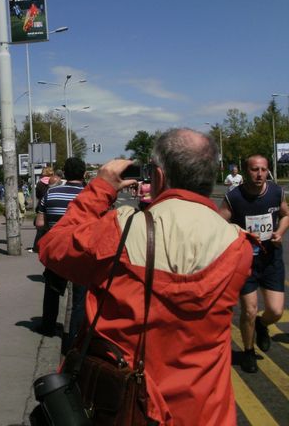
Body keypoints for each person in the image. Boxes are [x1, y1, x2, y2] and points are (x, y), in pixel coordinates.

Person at [39, 128, 253, 425]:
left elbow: (53, 248)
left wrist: (100, 188)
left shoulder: (122, 230)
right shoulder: (238, 245)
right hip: (205, 412)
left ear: (159, 177)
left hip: (127, 407)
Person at [219, 155, 288, 373]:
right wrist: (239, 234)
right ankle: (248, 352)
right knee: (249, 310)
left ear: (268, 171)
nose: (259, 174)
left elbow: (285, 215)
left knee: (275, 311)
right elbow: (218, 224)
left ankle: (262, 324)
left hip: (271, 259)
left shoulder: (276, 192)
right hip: (245, 261)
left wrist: (280, 232)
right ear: (246, 171)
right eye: (254, 170)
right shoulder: (234, 197)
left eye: (263, 170)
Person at [34, 158, 86, 340]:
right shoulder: (90, 194)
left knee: (52, 291)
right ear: (84, 174)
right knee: (80, 296)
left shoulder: (51, 193)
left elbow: (39, 223)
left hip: (57, 249)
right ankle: (74, 335)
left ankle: (48, 327)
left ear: (64, 173)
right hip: (81, 251)